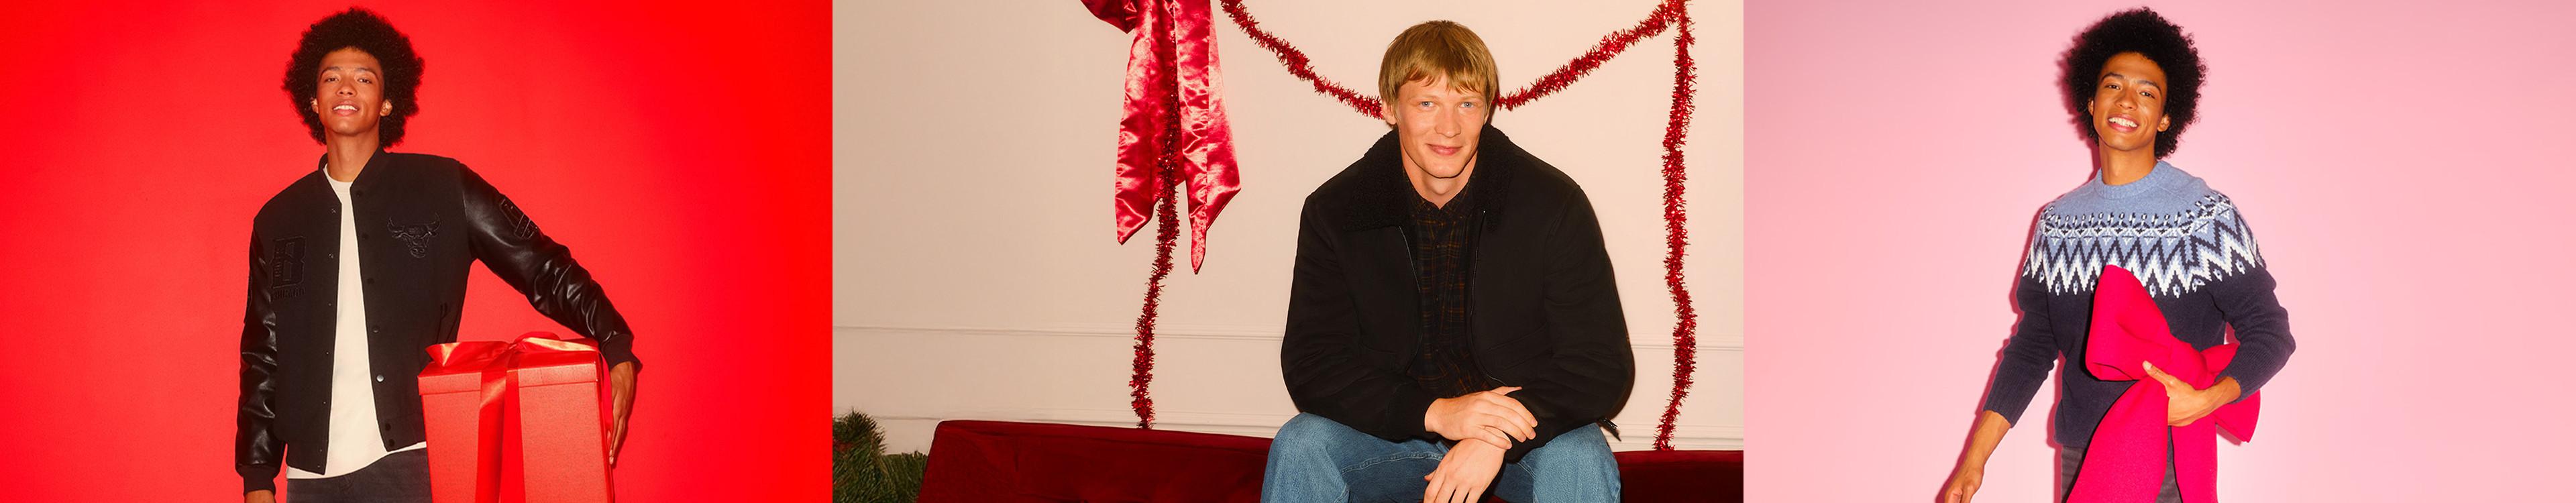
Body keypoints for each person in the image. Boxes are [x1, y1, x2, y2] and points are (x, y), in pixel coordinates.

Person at [236, 8, 642, 502]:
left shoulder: (444, 187)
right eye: (332, 78)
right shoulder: (279, 220)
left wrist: (613, 338)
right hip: (310, 480)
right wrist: (258, 477)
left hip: (416, 462)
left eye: (364, 78)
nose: (347, 87)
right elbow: (263, 352)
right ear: (313, 99)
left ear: (387, 103)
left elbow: (541, 265)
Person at [1261, 20, 1634, 503]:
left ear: (1487, 111)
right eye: (1426, 103)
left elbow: (1601, 364)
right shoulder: (1337, 210)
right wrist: (1437, 413)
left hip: (1522, 434)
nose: (1449, 127)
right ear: (1389, 108)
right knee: (1303, 444)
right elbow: (1313, 365)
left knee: (1580, 455)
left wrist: (1490, 434)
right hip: (1394, 429)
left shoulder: (1551, 205)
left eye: (1467, 104)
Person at [1940, 8, 2294, 503]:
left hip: (2167, 457)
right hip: (2081, 458)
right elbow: (2032, 347)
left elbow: (2271, 333)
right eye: (2114, 86)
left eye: (2148, 92)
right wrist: (1974, 460)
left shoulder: (2202, 217)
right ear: (2091, 99)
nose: (2128, 100)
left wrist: (2206, 400)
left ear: (2167, 117)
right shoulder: (2057, 223)